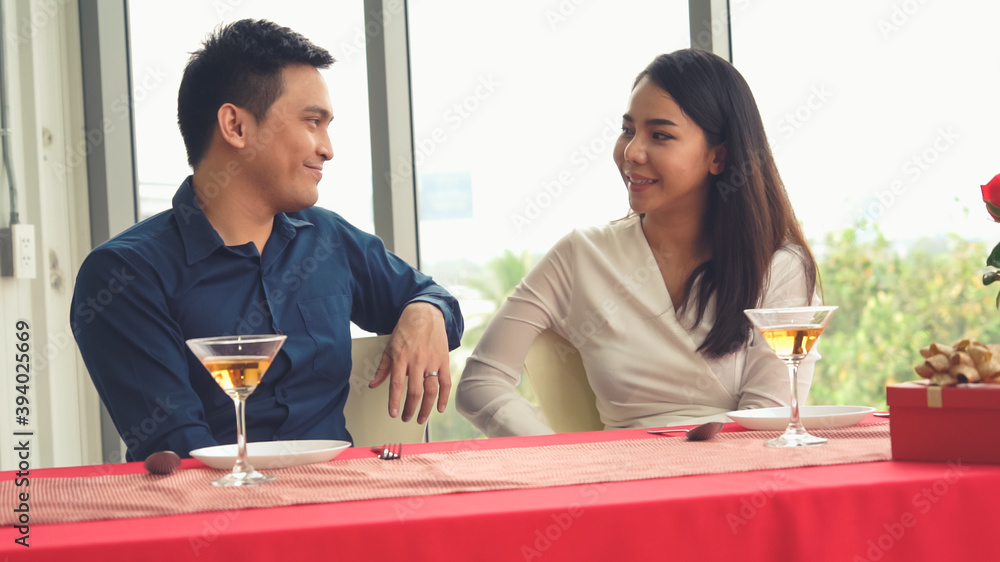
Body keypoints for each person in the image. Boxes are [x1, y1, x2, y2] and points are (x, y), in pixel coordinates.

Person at [71, 19, 463, 461]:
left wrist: (426, 311)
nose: (328, 148)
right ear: (235, 127)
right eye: (312, 122)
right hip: (211, 517)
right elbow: (180, 452)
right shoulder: (123, 275)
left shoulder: (328, 237)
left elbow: (438, 301)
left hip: (344, 501)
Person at [456, 49, 819, 437]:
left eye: (659, 135)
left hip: (732, 478)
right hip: (618, 481)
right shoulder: (582, 256)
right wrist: (560, 455)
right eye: (628, 130)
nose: (631, 152)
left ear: (719, 156)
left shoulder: (778, 266)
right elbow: (480, 384)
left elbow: (768, 421)